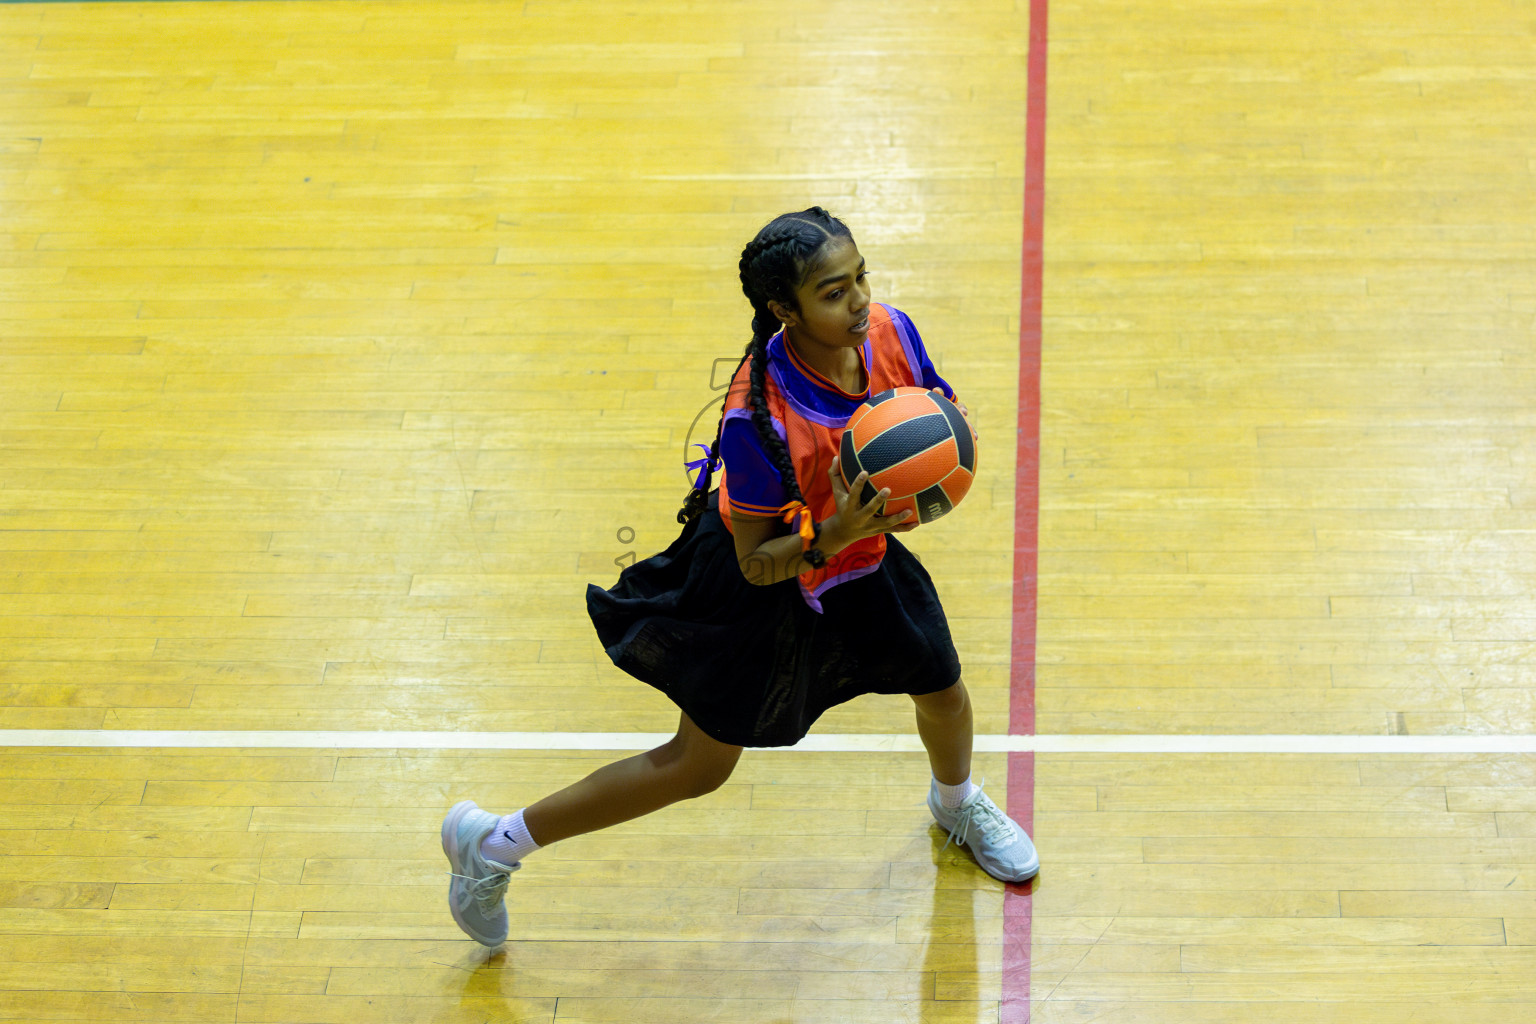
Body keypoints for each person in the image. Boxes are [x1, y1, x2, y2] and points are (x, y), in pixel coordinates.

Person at [441, 207, 1037, 946]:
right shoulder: (758, 419)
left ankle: (956, 804)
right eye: (832, 291)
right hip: (767, 576)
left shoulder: (889, 331)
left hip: (857, 559)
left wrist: (942, 449)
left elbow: (933, 404)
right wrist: (837, 530)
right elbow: (758, 561)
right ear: (783, 310)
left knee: (942, 690)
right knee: (697, 766)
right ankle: (491, 845)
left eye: (861, 280)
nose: (857, 302)